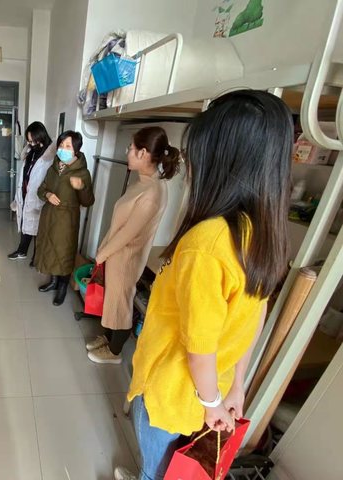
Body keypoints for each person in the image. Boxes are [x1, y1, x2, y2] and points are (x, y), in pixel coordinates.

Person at [114, 90, 293, 480]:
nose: (190, 166)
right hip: (214, 388)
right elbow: (253, 316)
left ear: (219, 162)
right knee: (178, 467)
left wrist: (212, 403)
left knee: (156, 471)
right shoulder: (260, 235)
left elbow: (199, 347)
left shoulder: (206, 243)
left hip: (173, 389)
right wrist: (234, 388)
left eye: (196, 155)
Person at [86, 127, 180, 365]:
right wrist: (104, 251)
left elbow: (128, 234)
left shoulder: (153, 191)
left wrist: (102, 254)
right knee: (112, 299)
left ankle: (114, 352)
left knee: (121, 303)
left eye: (131, 148)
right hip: (116, 254)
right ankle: (108, 339)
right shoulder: (143, 182)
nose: (127, 151)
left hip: (127, 257)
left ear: (143, 153)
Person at [35, 130, 94, 306]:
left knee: (64, 253)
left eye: (68, 146)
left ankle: (62, 288)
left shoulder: (82, 173)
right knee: (50, 249)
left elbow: (88, 201)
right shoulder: (54, 167)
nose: (63, 149)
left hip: (67, 221)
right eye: (61, 145)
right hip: (49, 217)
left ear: (76, 150)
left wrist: (81, 187)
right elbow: (41, 189)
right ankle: (53, 282)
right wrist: (48, 195)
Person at [8, 121, 56, 264]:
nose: (31, 144)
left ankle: (37, 256)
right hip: (25, 193)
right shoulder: (31, 152)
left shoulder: (50, 156)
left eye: (33, 140)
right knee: (25, 224)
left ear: (41, 136)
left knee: (38, 229)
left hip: (39, 197)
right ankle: (22, 251)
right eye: (29, 141)